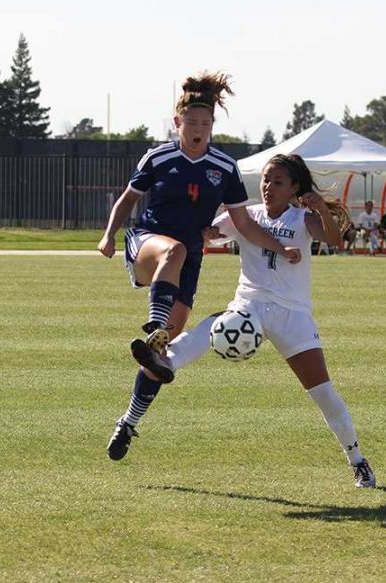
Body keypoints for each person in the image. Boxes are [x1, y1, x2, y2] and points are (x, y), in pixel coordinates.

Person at [129, 153, 377, 488]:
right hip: (249, 306)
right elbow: (211, 233)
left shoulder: (302, 217)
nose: (268, 187)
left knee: (323, 392)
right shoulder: (246, 215)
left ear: (293, 188)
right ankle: (159, 366)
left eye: (277, 182)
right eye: (265, 180)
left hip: (292, 315)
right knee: (209, 330)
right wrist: (200, 230)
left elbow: (333, 240)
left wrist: (319, 208)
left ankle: (357, 460)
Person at [98, 72, 299, 458]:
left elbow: (242, 224)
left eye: (205, 124)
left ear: (212, 126)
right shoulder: (159, 156)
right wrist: (108, 235)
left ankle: (128, 423)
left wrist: (279, 248)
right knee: (172, 253)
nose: (198, 130)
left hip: (188, 263)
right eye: (191, 123)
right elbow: (127, 199)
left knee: (160, 360)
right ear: (178, 123)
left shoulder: (224, 167)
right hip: (148, 245)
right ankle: (156, 325)